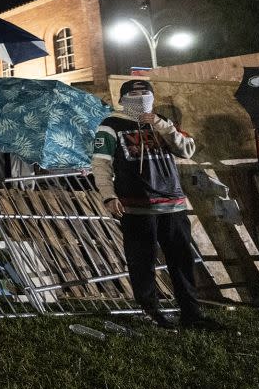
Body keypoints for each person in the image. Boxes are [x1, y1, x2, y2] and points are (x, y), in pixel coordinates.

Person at [91, 79, 219, 330]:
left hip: (173, 204)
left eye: (145, 93)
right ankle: (152, 311)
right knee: (142, 262)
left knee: (182, 260)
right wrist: (108, 195)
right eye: (134, 94)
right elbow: (101, 164)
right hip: (136, 205)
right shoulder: (110, 126)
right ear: (123, 98)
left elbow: (186, 150)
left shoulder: (162, 121)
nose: (140, 98)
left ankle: (191, 314)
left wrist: (162, 126)